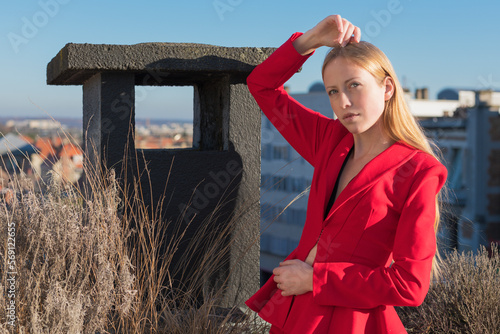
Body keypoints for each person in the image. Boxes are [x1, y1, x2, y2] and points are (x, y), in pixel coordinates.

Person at [245, 15, 447, 333]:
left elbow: (410, 285)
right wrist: (310, 40)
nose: (344, 102)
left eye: (354, 85)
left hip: (355, 323)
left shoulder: (419, 171)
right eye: (333, 92)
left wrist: (315, 278)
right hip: (297, 317)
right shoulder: (329, 141)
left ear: (387, 88)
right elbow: (262, 85)